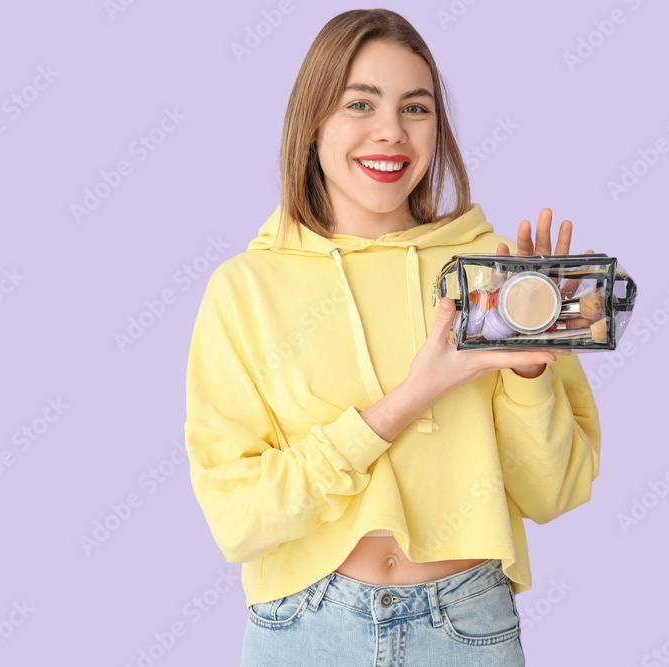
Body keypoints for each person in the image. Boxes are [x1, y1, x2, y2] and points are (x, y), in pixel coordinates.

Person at [184, 8, 601, 666]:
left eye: (416, 107)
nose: (391, 133)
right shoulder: (246, 288)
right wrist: (411, 398)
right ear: (313, 121)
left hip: (467, 626)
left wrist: (528, 379)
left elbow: (555, 492)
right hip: (304, 629)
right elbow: (239, 520)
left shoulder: (494, 274)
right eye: (360, 103)